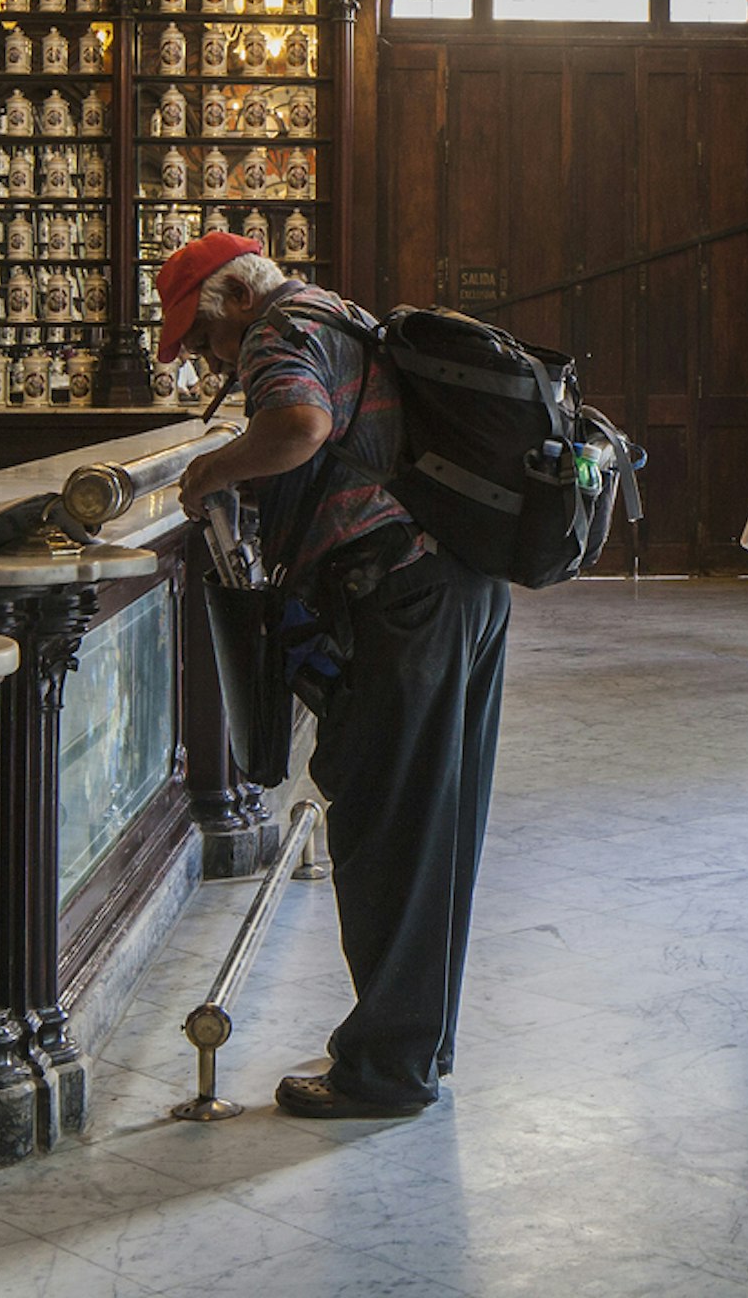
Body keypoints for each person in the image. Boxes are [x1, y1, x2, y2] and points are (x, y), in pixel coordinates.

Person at [166, 232, 503, 1120]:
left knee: (386, 828)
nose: (210, 363)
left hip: (399, 600)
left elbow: (299, 427)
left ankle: (385, 1070)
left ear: (235, 302)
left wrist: (212, 470)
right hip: (459, 587)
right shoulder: (337, 314)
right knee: (438, 827)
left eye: (204, 342)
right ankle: (416, 1042)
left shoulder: (280, 331)